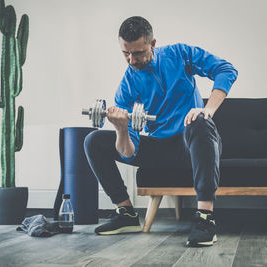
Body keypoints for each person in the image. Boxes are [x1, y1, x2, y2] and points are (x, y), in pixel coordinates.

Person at [84, 16, 238, 247]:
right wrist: (122, 129)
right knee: (93, 141)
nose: (131, 60)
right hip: (159, 149)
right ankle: (126, 213)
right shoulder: (127, 85)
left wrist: (207, 110)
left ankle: (206, 219)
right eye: (126, 53)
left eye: (138, 52)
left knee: (200, 122)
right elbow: (128, 153)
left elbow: (226, 69)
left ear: (152, 44)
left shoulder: (179, 54)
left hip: (192, 144)